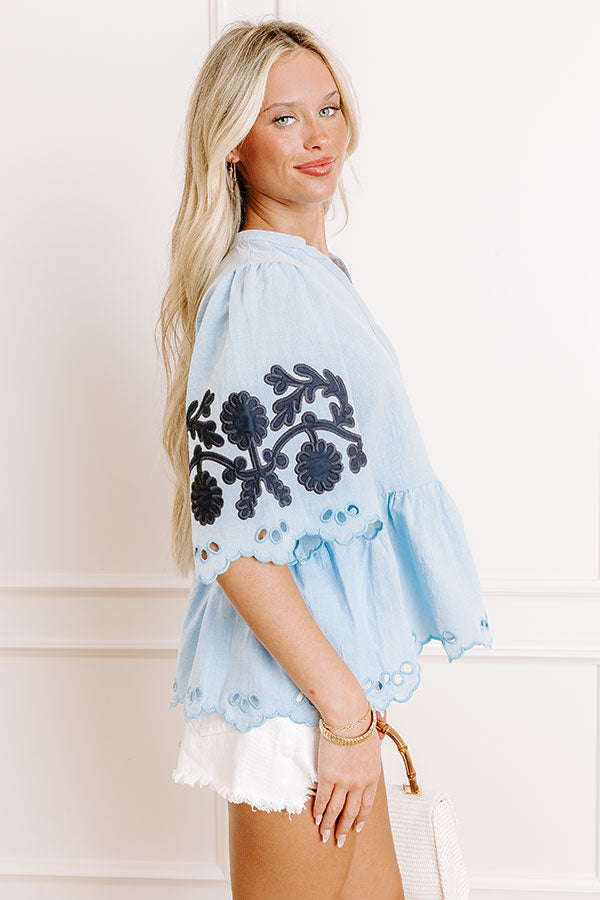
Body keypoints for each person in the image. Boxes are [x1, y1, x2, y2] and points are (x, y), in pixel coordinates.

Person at [157, 17, 493, 900]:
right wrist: (342, 716)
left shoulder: (311, 278)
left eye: (329, 108)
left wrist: (351, 713)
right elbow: (235, 541)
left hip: (329, 696)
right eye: (284, 118)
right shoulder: (264, 287)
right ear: (232, 143)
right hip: (301, 707)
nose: (318, 137)